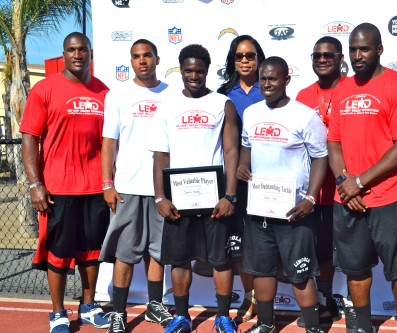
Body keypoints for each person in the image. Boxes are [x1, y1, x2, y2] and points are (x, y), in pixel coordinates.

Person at [327, 23, 397, 333]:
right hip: (349, 200)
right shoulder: (342, 88)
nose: (357, 55)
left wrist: (360, 182)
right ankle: (362, 327)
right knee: (356, 270)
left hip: (390, 196)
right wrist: (345, 183)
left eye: (364, 49)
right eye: (353, 49)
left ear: (379, 50)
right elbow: (333, 141)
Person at [20, 32, 111, 333]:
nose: (77, 55)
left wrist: (110, 182)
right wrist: (36, 184)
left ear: (90, 53)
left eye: (82, 49)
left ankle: (89, 306)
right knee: (57, 252)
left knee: (92, 251)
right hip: (57, 188)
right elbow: (30, 138)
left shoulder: (104, 93)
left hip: (95, 187)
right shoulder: (44, 89)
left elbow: (111, 142)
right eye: (71, 50)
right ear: (64, 53)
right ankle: (58, 313)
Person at [149, 44, 239, 333]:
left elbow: (231, 151)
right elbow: (161, 155)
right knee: (179, 258)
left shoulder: (221, 103)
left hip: (215, 198)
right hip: (179, 197)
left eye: (199, 71)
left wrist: (230, 195)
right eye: (188, 70)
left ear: (207, 71)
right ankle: (181, 316)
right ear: (180, 70)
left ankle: (223, 317)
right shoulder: (168, 106)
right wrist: (160, 196)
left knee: (221, 259)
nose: (194, 75)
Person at [237, 56, 328, 333]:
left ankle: (312, 327)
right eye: (263, 78)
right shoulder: (251, 113)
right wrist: (242, 165)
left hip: (293, 211)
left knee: (300, 275)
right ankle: (266, 324)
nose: (266, 83)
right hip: (260, 209)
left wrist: (310, 198)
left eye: (273, 78)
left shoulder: (305, 115)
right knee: (262, 270)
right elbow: (246, 147)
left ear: (286, 80)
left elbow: (321, 158)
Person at [98, 39, 173, 333]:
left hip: (162, 190)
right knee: (126, 253)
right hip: (128, 186)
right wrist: (107, 183)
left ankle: (155, 306)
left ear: (157, 59)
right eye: (136, 56)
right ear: (131, 62)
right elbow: (109, 142)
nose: (142, 61)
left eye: (147, 55)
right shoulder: (117, 95)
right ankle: (118, 312)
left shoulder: (172, 94)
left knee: (158, 252)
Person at [295, 36, 345, 328]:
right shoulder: (302, 95)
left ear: (340, 59)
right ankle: (324, 300)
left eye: (328, 55)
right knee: (318, 249)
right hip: (312, 191)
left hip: (345, 188)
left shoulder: (352, 90)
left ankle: (351, 303)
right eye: (317, 56)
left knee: (350, 252)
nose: (322, 60)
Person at [217, 34, 266, 323]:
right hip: (234, 181)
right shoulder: (223, 93)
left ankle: (264, 297)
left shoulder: (272, 87)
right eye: (239, 56)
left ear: (259, 58)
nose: (245, 60)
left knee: (262, 241)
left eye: (250, 55)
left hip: (268, 181)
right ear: (232, 60)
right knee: (238, 243)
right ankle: (250, 295)